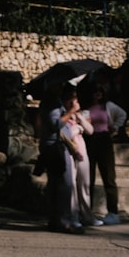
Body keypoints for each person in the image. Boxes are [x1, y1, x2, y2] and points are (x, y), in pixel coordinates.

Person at [38, 83, 83, 234]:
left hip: (52, 145)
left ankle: (55, 219)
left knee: (55, 185)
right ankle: (63, 221)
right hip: (55, 146)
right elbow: (54, 124)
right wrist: (71, 111)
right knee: (65, 184)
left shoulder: (51, 101)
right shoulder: (51, 103)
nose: (61, 87)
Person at [85, 85, 127, 225]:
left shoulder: (108, 106)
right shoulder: (86, 109)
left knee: (109, 177)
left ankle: (113, 212)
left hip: (104, 140)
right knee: (88, 178)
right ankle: (87, 212)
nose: (97, 94)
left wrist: (115, 127)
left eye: (99, 91)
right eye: (94, 91)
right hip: (90, 141)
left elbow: (122, 114)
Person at [62, 88, 99, 228]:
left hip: (82, 153)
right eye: (71, 99)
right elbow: (68, 134)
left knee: (84, 184)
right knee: (72, 185)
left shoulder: (81, 114)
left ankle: (87, 215)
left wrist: (80, 119)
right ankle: (73, 216)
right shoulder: (63, 115)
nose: (74, 102)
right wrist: (78, 129)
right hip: (70, 152)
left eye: (75, 99)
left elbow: (90, 130)